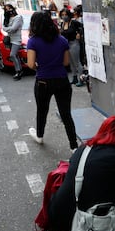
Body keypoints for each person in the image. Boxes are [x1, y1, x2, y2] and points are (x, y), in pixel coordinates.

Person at [26, 11, 79, 151]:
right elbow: (66, 62)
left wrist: (41, 65)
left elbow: (30, 64)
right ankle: (74, 146)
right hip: (62, 80)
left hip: (43, 81)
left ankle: (40, 136)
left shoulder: (33, 41)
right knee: (66, 114)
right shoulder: (62, 40)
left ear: (34, 24)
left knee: (42, 111)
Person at [59, 8, 84, 86]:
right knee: (71, 63)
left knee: (77, 62)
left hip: (74, 43)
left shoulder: (73, 22)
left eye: (65, 14)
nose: (64, 16)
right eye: (62, 15)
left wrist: (79, 34)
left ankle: (81, 79)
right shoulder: (62, 24)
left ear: (69, 15)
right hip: (66, 45)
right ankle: (74, 78)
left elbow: (82, 26)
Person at [3, 4, 24, 80]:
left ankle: (18, 71)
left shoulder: (18, 17)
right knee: (16, 56)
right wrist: (7, 27)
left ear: (13, 9)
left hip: (16, 40)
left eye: (9, 8)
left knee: (12, 55)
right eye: (6, 9)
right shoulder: (7, 18)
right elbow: (4, 27)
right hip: (10, 39)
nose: (8, 10)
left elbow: (13, 29)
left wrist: (6, 29)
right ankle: (19, 71)